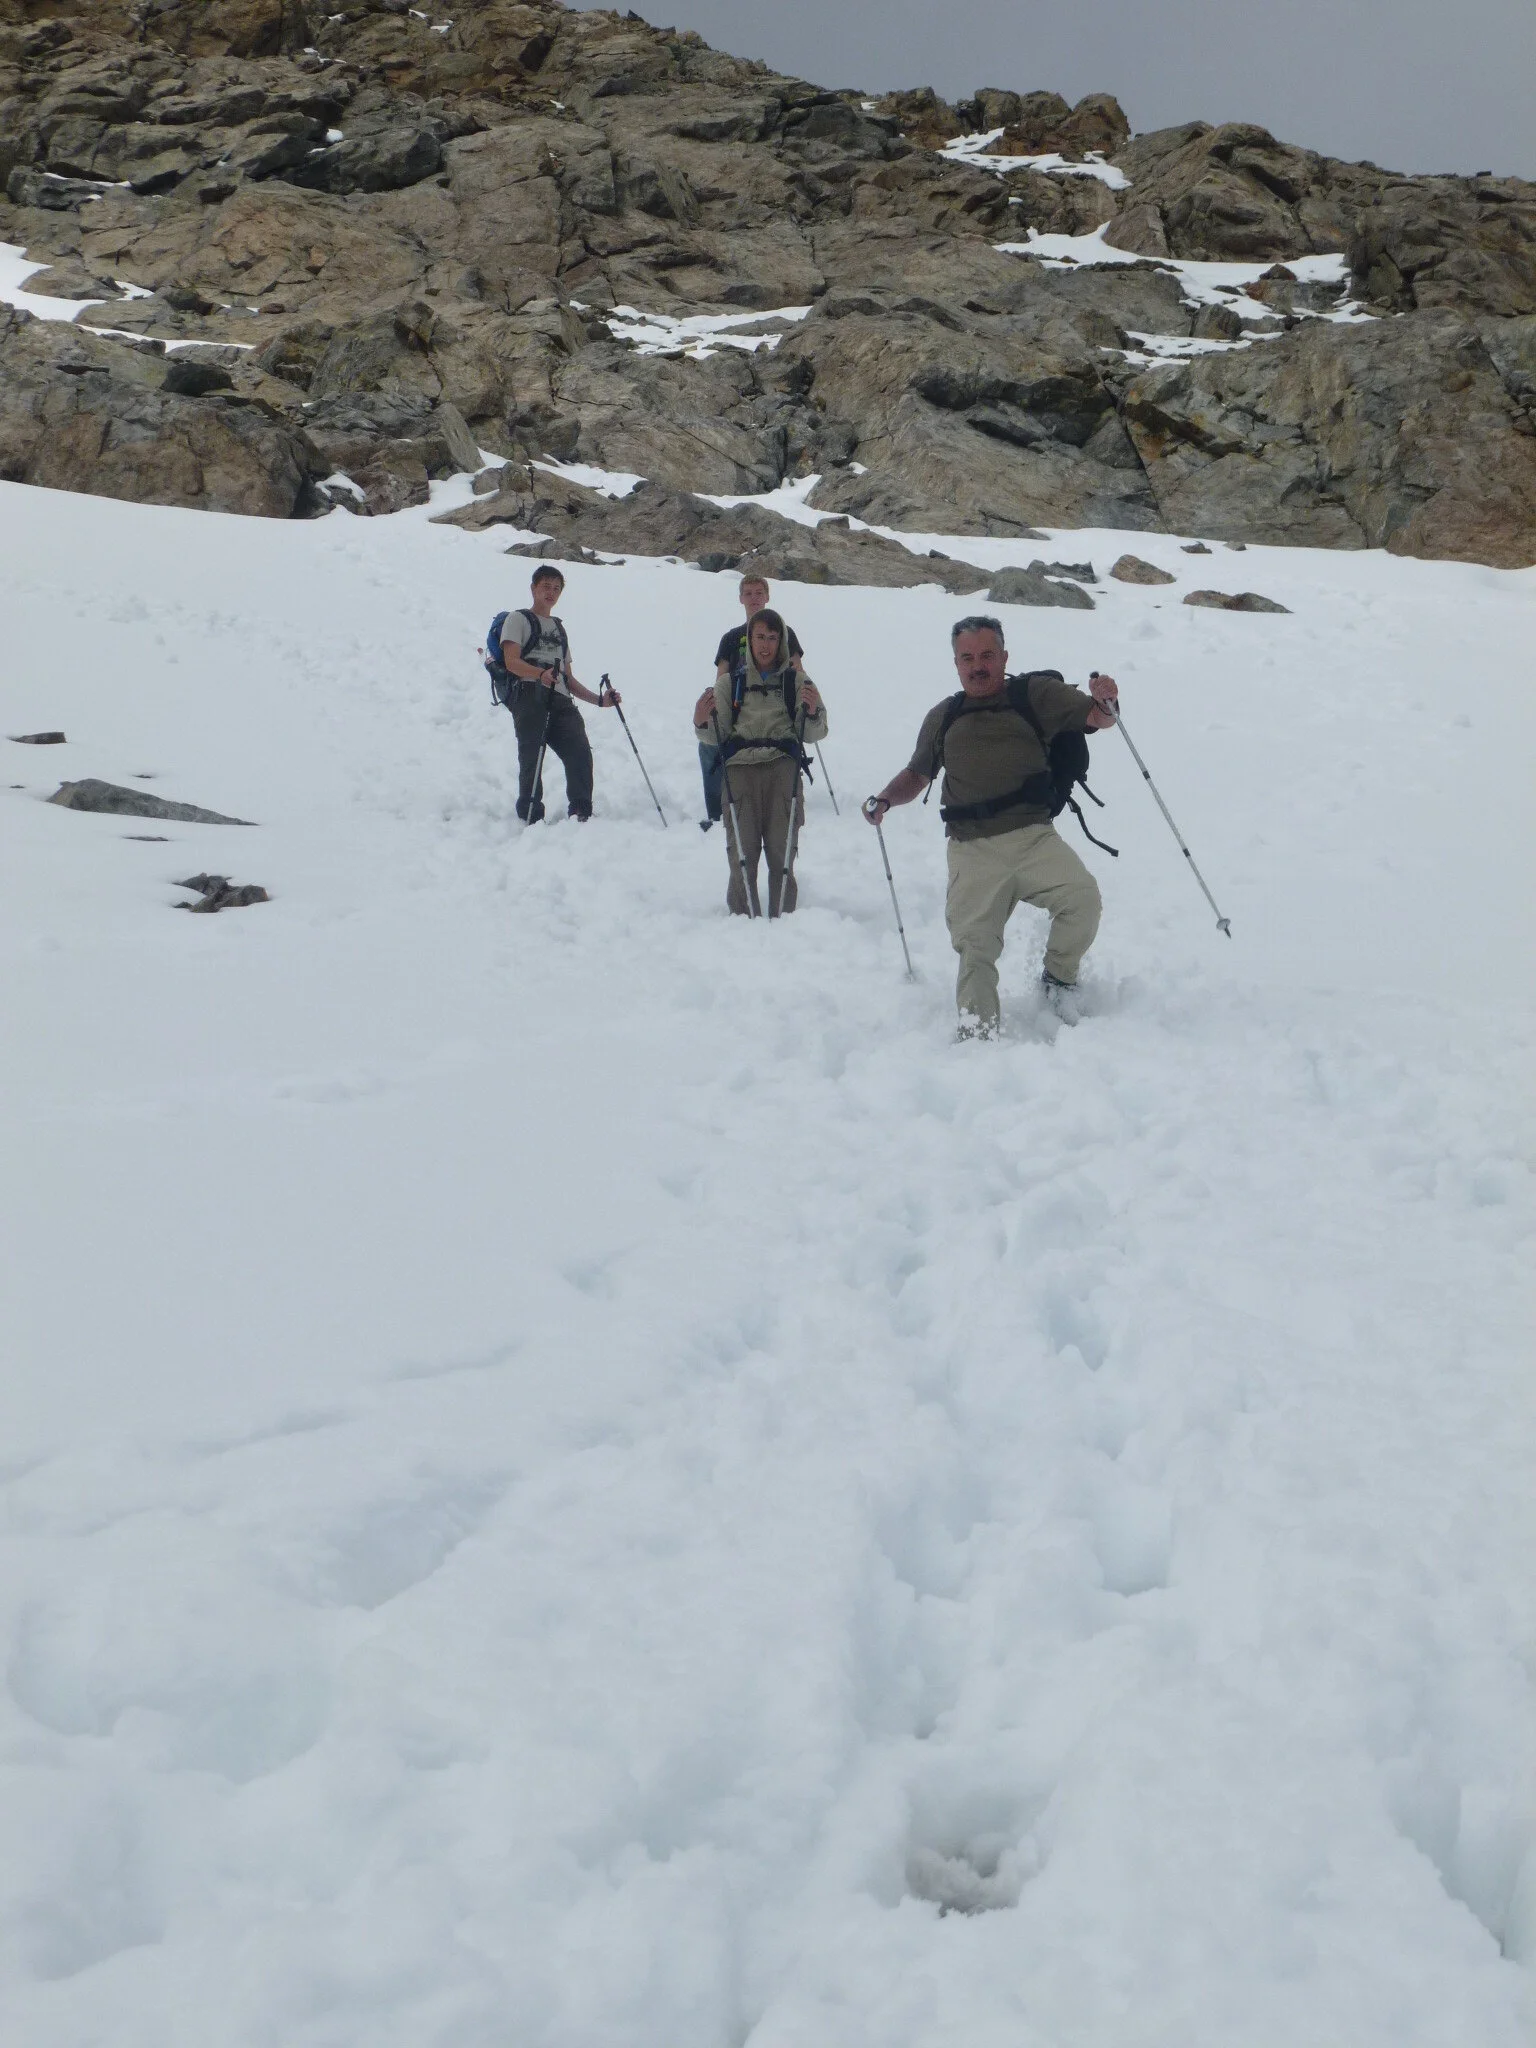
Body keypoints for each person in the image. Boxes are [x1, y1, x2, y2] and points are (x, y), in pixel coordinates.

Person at [864, 615, 1119, 1034]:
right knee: (975, 947)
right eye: (967, 657)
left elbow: (1097, 718)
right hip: (971, 847)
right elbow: (917, 774)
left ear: (1004, 657)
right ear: (956, 663)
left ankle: (1059, 978)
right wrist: (887, 798)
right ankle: (977, 1035)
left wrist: (1107, 701)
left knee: (1083, 899)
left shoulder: (1035, 695)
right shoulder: (943, 717)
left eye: (986, 655)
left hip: (1034, 838)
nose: (977, 665)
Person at [697, 608, 826, 916]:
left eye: (772, 637)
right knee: (742, 851)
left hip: (783, 766)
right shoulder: (729, 684)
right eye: (759, 638)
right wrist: (702, 721)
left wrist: (811, 712)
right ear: (749, 642)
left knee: (783, 850)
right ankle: (743, 918)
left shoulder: (798, 682)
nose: (765, 645)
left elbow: (815, 732)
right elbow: (716, 734)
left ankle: (783, 916)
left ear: (780, 641)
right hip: (740, 769)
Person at [494, 565, 620, 822]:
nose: (551, 592)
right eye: (546, 586)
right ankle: (530, 813)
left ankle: (581, 809)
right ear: (533, 588)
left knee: (580, 750)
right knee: (532, 754)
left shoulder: (560, 629)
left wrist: (599, 701)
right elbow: (511, 661)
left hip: (560, 697)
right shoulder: (517, 619)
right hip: (528, 693)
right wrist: (539, 674)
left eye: (556, 588)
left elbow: (568, 678)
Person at [696, 574, 804, 831]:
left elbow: (797, 671)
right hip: (737, 706)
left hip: (776, 706)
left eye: (759, 593)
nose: (754, 598)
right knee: (708, 746)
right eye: (749, 593)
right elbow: (722, 676)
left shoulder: (785, 633)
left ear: (767, 596)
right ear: (741, 598)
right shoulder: (731, 638)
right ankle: (717, 810)